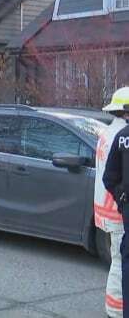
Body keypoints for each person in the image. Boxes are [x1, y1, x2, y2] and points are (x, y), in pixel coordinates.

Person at [99, 87, 129, 317]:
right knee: (119, 263)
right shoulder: (120, 135)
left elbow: (109, 177)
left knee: (119, 261)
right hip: (118, 213)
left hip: (110, 208)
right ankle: (116, 311)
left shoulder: (108, 133)